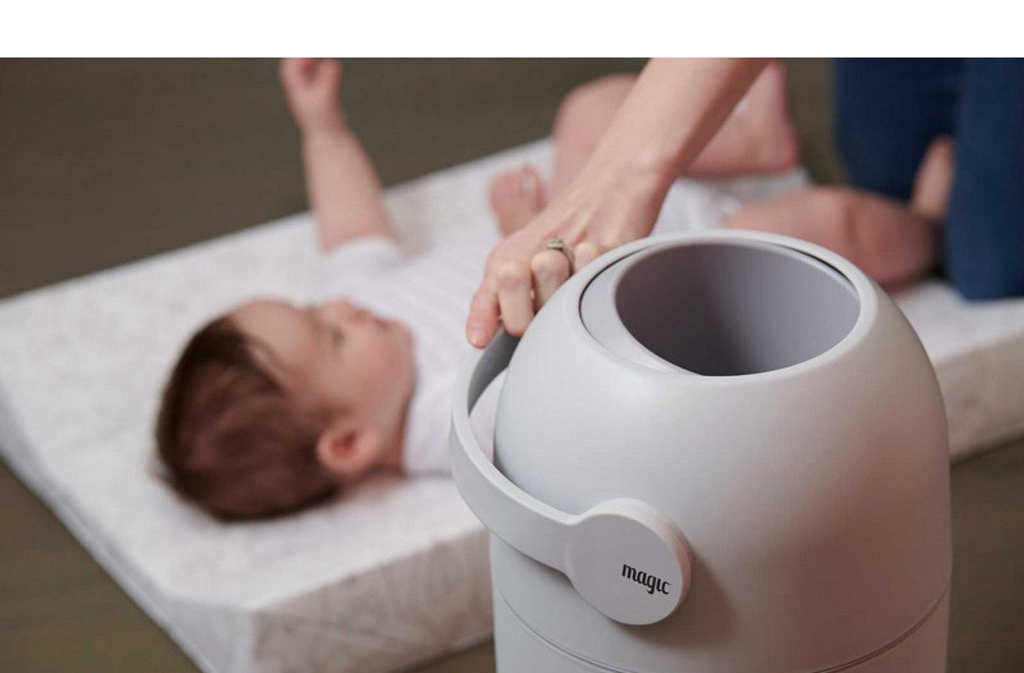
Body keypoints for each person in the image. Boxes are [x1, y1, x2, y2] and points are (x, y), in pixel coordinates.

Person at [156, 58, 798, 520]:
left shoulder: (362, 300)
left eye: (311, 307)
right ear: (350, 442)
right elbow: (571, 383)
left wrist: (322, 127)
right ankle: (858, 230)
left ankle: (754, 142)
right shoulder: (456, 421)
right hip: (669, 282)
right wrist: (522, 230)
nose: (339, 305)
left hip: (592, 219)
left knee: (589, 112)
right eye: (330, 336)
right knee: (793, 238)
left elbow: (348, 223)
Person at [466, 58, 1024, 349]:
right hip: (656, 270)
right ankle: (922, 219)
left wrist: (613, 184)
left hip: (632, 246)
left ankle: (920, 221)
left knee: (985, 265)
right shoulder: (436, 406)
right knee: (889, 183)